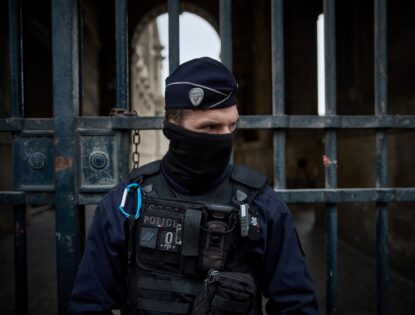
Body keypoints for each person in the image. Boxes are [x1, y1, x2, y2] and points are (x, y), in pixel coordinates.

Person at [69, 57, 318, 315]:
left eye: (231, 125)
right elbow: (89, 304)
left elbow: (296, 305)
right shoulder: (127, 204)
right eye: (210, 126)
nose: (225, 137)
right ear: (173, 126)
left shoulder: (263, 206)